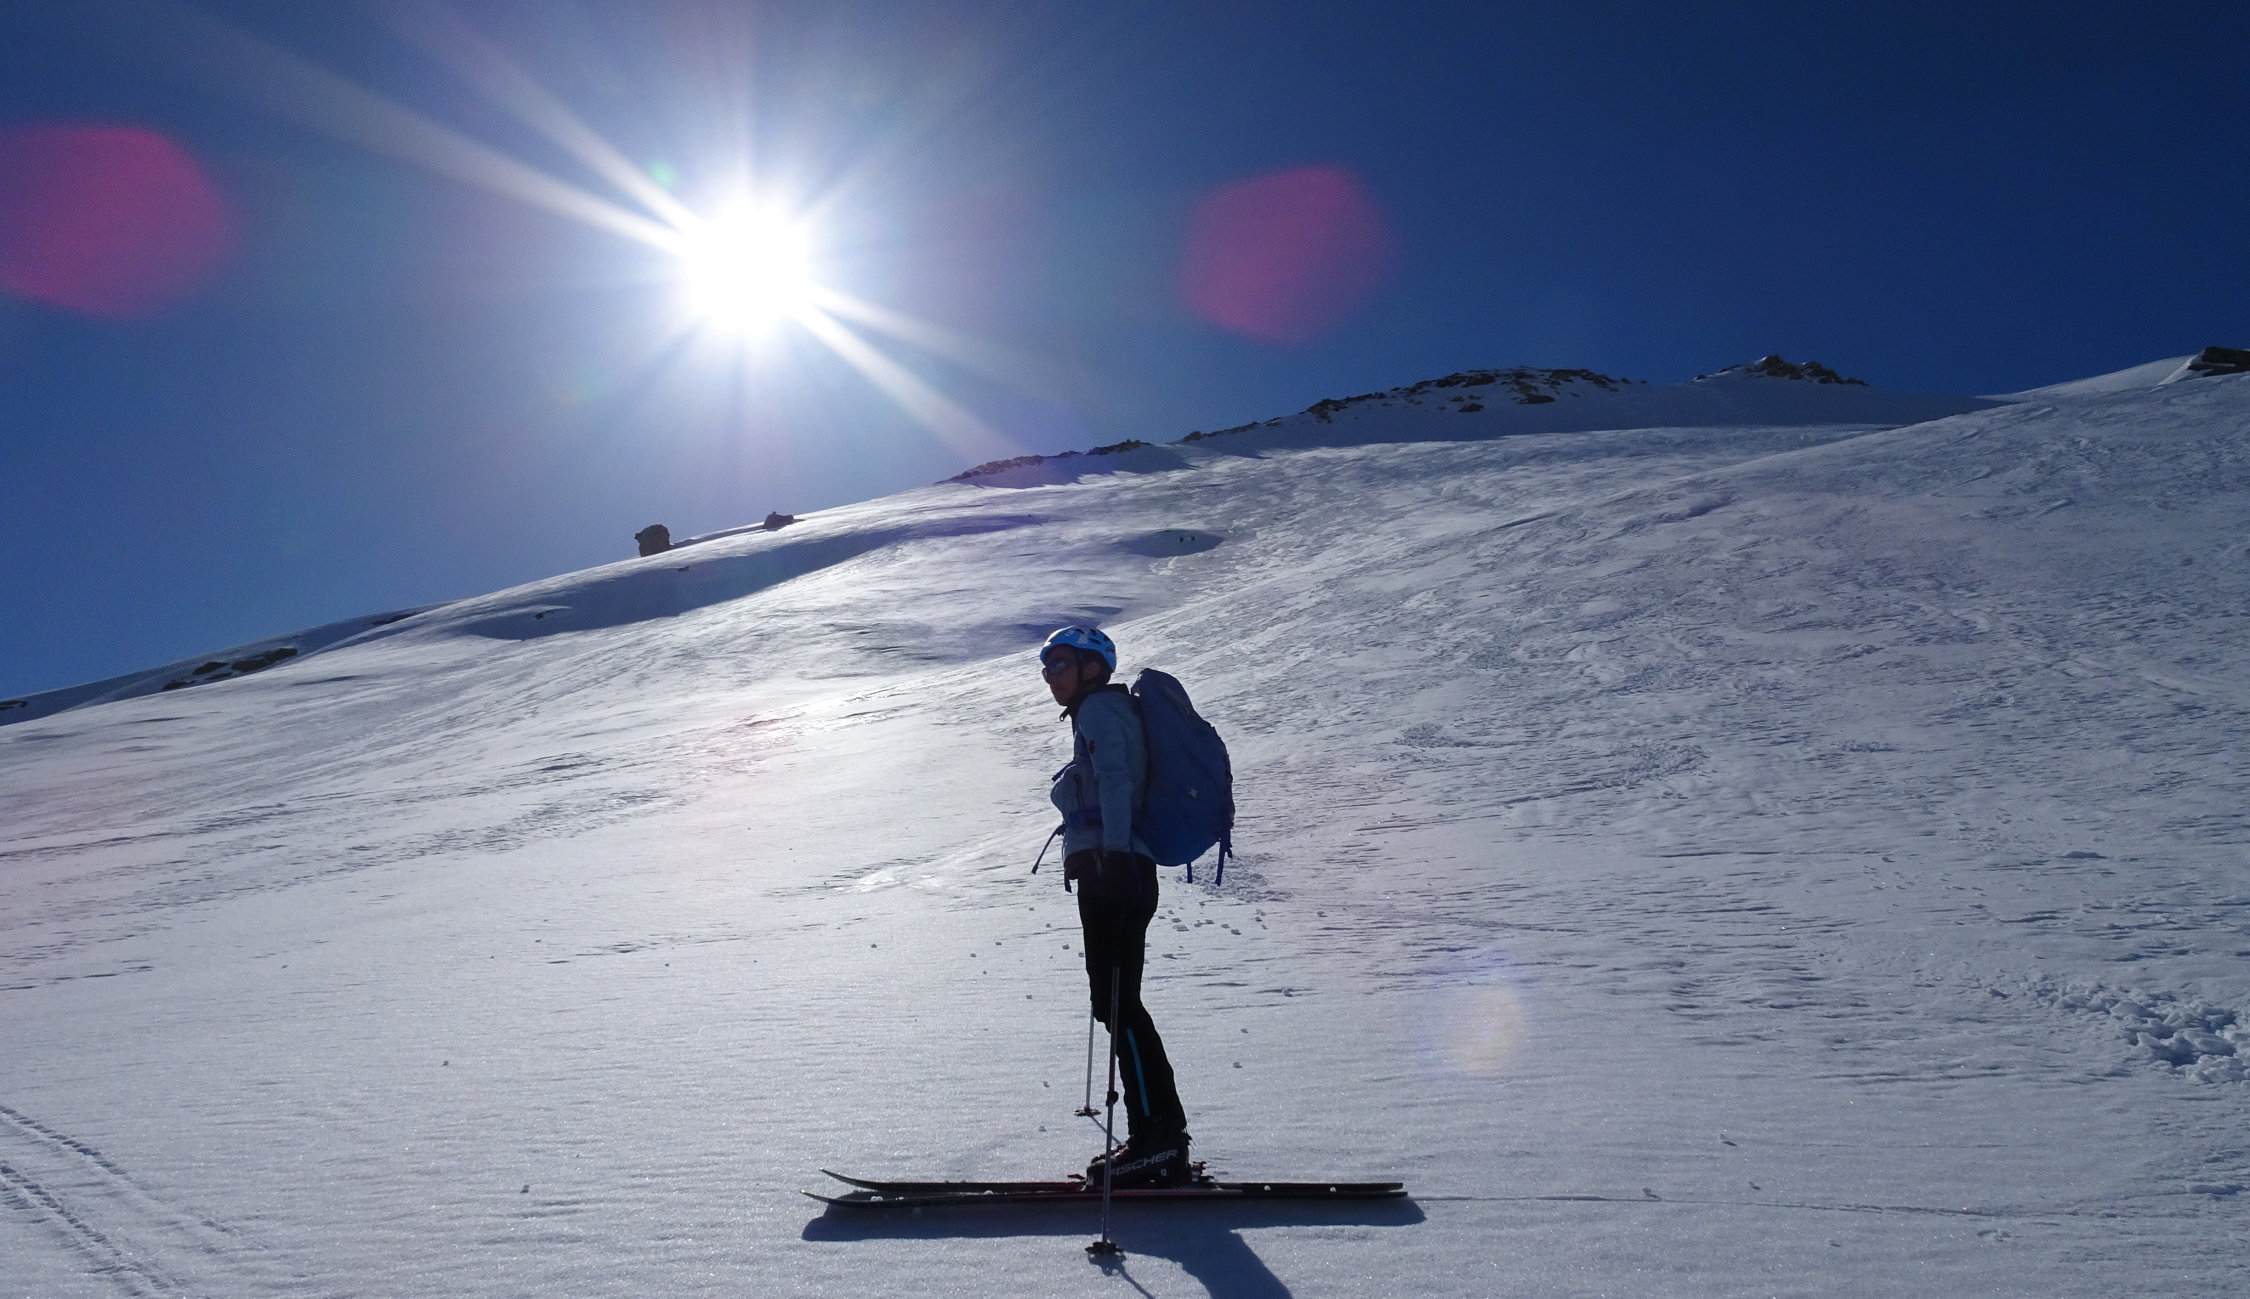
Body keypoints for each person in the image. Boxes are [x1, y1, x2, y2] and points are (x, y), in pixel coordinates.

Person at [1039, 626, 1193, 1187]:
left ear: (1091, 666)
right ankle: (1158, 1134)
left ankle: (1159, 1140)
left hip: (1117, 874)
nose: (1051, 676)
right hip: (1116, 869)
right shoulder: (1099, 712)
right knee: (1116, 1004)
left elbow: (1116, 781)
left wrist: (1116, 856)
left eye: (1060, 663)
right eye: (1046, 667)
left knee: (1120, 1004)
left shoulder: (1101, 711)